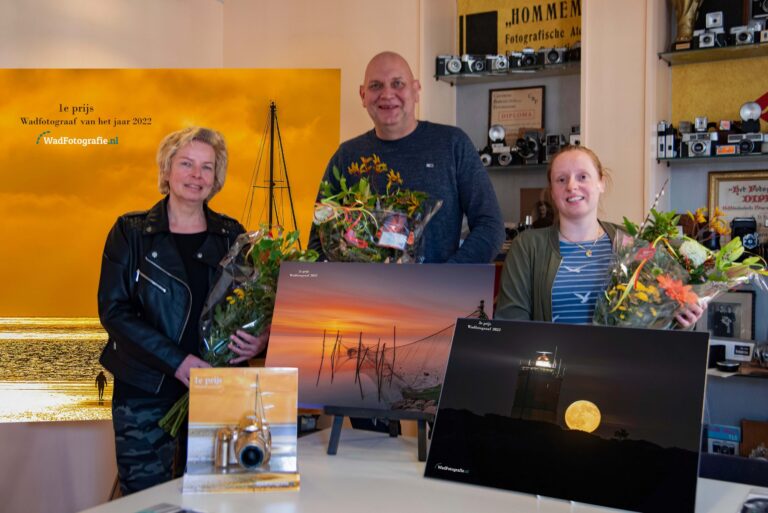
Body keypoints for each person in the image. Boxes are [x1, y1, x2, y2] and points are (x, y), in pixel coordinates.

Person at [97, 127, 268, 495]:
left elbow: (253, 306)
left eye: (207, 167)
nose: (197, 175)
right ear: (167, 169)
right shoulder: (131, 232)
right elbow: (114, 312)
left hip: (218, 388)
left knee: (218, 497)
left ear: (216, 177)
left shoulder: (232, 235)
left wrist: (260, 340)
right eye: (187, 164)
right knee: (146, 500)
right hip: (145, 392)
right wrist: (178, 362)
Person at [308, 51, 505, 263]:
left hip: (438, 284)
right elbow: (319, 240)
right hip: (360, 286)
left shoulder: (452, 145)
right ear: (363, 95)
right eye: (376, 85)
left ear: (416, 90)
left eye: (398, 84)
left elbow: (490, 227)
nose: (387, 94)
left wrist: (448, 276)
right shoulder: (346, 157)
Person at [495, 145, 704, 328]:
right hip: (550, 362)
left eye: (582, 177)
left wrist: (683, 318)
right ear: (552, 192)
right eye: (561, 179)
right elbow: (511, 323)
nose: (571, 186)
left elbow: (656, 319)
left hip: (621, 361)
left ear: (601, 183)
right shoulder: (527, 246)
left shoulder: (632, 242)